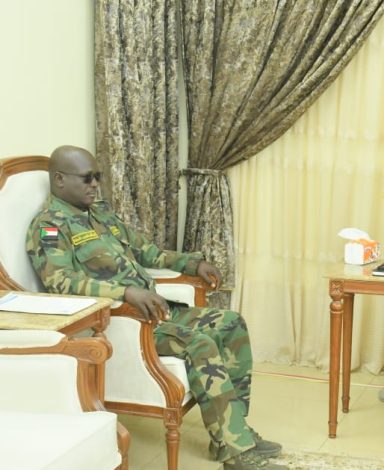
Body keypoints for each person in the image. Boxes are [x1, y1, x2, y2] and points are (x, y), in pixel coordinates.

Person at [26, 145, 286, 470]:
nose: (95, 185)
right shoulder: (50, 227)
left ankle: (233, 434)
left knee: (231, 323)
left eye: (97, 177)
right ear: (60, 180)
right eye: (87, 178)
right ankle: (238, 455)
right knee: (200, 343)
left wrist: (192, 263)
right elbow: (60, 282)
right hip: (120, 323)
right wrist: (125, 292)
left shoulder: (100, 213)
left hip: (153, 311)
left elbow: (146, 251)